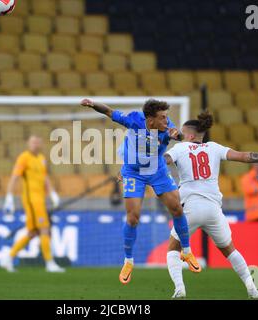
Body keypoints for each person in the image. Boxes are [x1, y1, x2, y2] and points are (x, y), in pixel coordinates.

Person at [164, 111, 258, 299]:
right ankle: (252, 289)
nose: (179, 136)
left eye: (182, 133)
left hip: (190, 209)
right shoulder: (215, 147)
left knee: (173, 249)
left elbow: (163, 161)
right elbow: (245, 156)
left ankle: (179, 289)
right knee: (230, 250)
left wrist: (159, 146)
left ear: (190, 136)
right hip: (213, 210)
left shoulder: (179, 149)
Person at [80, 98, 201, 285]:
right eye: (162, 118)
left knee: (177, 208)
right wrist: (93, 104)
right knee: (133, 217)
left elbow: (176, 134)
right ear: (150, 120)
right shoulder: (134, 119)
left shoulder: (168, 127)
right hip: (133, 172)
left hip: (157, 170)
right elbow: (110, 111)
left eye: (166, 117)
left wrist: (176, 135)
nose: (166, 121)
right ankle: (128, 261)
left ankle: (186, 251)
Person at [0, 135, 65, 273]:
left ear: (40, 144)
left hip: (40, 200)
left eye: (37, 142)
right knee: (45, 229)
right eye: (33, 142)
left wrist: (53, 194)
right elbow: (15, 177)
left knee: (33, 233)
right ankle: (50, 263)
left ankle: (8, 258)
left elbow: (45, 178)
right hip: (31, 201)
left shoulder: (41, 159)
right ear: (28, 144)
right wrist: (9, 197)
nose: (35, 144)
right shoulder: (24, 158)